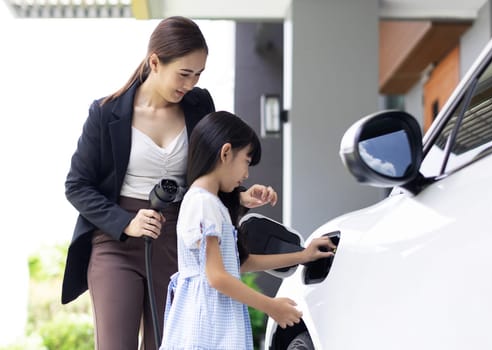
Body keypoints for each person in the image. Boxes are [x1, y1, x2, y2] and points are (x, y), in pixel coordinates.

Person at [61, 16, 279, 350]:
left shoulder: (199, 106)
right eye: (184, 73)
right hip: (115, 241)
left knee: (171, 342)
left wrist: (238, 195)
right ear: (154, 62)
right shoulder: (106, 114)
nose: (190, 84)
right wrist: (127, 222)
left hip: (179, 238)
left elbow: (211, 166)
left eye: (198, 74)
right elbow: (77, 185)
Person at [159, 111, 337, 350]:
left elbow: (237, 265)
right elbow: (217, 277)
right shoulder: (204, 204)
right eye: (246, 161)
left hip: (212, 324)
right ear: (225, 153)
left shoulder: (209, 203)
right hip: (209, 327)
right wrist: (271, 306)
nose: (246, 174)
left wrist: (303, 255)